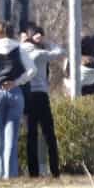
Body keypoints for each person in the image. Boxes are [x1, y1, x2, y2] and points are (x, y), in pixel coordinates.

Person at [0, 22, 36, 179]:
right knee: (11, 138)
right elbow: (33, 70)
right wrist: (17, 81)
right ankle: (10, 174)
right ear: (13, 33)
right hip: (14, 92)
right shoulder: (19, 48)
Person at [21, 23, 65, 178]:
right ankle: (55, 170)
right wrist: (46, 42)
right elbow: (60, 52)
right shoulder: (39, 54)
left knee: (31, 135)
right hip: (40, 96)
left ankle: (33, 172)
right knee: (49, 134)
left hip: (27, 96)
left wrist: (27, 40)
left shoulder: (20, 51)